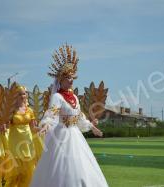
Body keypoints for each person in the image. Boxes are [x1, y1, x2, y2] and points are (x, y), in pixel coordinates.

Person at [30, 45, 108, 187]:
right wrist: (46, 123)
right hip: (62, 135)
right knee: (62, 167)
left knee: (81, 166)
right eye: (67, 78)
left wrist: (91, 126)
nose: (71, 80)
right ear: (61, 79)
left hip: (75, 135)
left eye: (72, 77)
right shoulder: (57, 97)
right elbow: (51, 112)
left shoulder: (75, 98)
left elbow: (79, 118)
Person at [4, 86, 36, 187]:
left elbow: (33, 128)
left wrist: (45, 128)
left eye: (24, 93)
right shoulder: (10, 110)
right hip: (15, 142)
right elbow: (6, 126)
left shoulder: (30, 110)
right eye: (20, 94)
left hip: (27, 143)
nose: (23, 96)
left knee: (28, 173)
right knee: (14, 175)